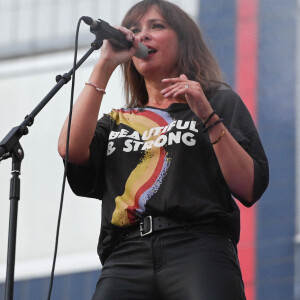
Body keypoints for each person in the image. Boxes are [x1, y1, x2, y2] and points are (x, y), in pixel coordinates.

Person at [58, 0, 269, 299]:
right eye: (134, 30)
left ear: (184, 42)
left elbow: (248, 186)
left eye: (156, 26)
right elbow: (69, 148)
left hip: (198, 247)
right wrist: (104, 65)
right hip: (125, 255)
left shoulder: (218, 102)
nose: (142, 35)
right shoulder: (118, 120)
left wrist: (207, 116)